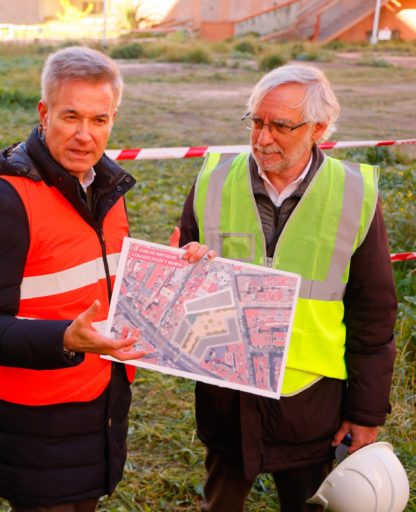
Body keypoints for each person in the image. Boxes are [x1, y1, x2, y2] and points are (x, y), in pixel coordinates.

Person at [0, 46, 209, 511]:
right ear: (44, 112)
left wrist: (172, 272)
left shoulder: (107, 191)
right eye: (70, 116)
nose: (84, 135)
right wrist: (66, 339)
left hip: (100, 412)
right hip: (38, 428)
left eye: (99, 120)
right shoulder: (4, 202)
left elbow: (105, 281)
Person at [177, 64, 398, 511]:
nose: (262, 138)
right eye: (256, 122)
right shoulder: (213, 179)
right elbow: (180, 288)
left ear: (319, 128)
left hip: (311, 406)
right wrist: (188, 269)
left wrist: (366, 412)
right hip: (228, 399)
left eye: (280, 125)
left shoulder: (353, 194)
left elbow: (373, 312)